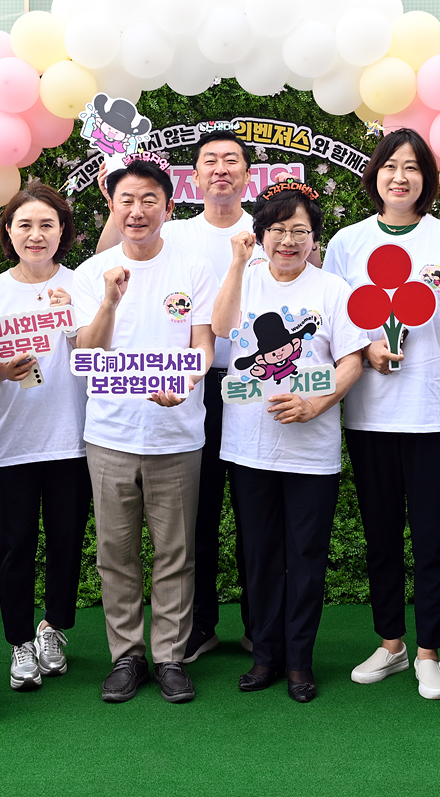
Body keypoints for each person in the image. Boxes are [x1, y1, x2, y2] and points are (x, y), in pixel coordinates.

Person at [323, 128, 440, 700]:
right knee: (381, 535)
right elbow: (334, 322)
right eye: (391, 166)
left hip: (435, 413)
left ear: (428, 179)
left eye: (412, 167)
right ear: (375, 174)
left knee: (433, 539)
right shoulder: (347, 241)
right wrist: (367, 349)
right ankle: (391, 643)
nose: (400, 176)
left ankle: (429, 652)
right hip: (369, 415)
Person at [99, 132, 267, 660]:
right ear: (193, 178)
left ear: (248, 175)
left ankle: (260, 628)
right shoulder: (175, 232)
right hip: (191, 384)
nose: (221, 169)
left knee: (255, 511)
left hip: (255, 383)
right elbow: (108, 268)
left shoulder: (268, 231)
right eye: (209, 161)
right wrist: (113, 195)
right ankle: (199, 625)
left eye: (232, 160)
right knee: (197, 515)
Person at [211, 178, 366, 703]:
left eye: (300, 231)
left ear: (315, 238)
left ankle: (300, 661)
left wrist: (315, 405)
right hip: (248, 447)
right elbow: (221, 327)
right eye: (278, 230)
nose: (288, 241)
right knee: (258, 555)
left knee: (305, 556)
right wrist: (237, 264)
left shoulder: (333, 290)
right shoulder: (245, 279)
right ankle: (265, 655)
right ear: (260, 234)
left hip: (312, 451)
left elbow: (351, 361)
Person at [74, 159, 218, 704]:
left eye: (149, 200)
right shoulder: (94, 272)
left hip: (176, 435)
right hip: (109, 435)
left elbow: (203, 343)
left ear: (168, 206)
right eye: (127, 201)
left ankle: (171, 657)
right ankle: (127, 656)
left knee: (176, 552)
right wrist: (110, 300)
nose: (137, 211)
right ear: (112, 206)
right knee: (115, 552)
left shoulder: (193, 268)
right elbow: (87, 350)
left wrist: (186, 380)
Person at [0, 182, 92, 691]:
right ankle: (20, 641)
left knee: (67, 541)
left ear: (63, 230)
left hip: (73, 438)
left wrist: (73, 322)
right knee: (14, 545)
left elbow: (98, 352)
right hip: (10, 441)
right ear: (8, 231)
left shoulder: (82, 284)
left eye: (47, 224)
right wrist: (1, 370)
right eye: (24, 224)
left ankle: (54, 629)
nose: (36, 234)